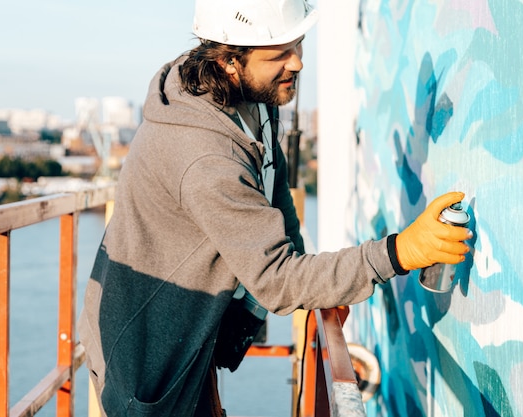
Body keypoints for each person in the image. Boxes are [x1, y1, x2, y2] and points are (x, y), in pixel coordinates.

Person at [77, 0, 473, 416]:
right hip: (148, 358)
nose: (298, 63)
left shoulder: (246, 91)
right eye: (280, 53)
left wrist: (322, 283)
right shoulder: (206, 158)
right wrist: (399, 252)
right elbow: (276, 278)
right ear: (229, 61)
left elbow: (274, 182)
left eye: (298, 44)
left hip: (192, 333)